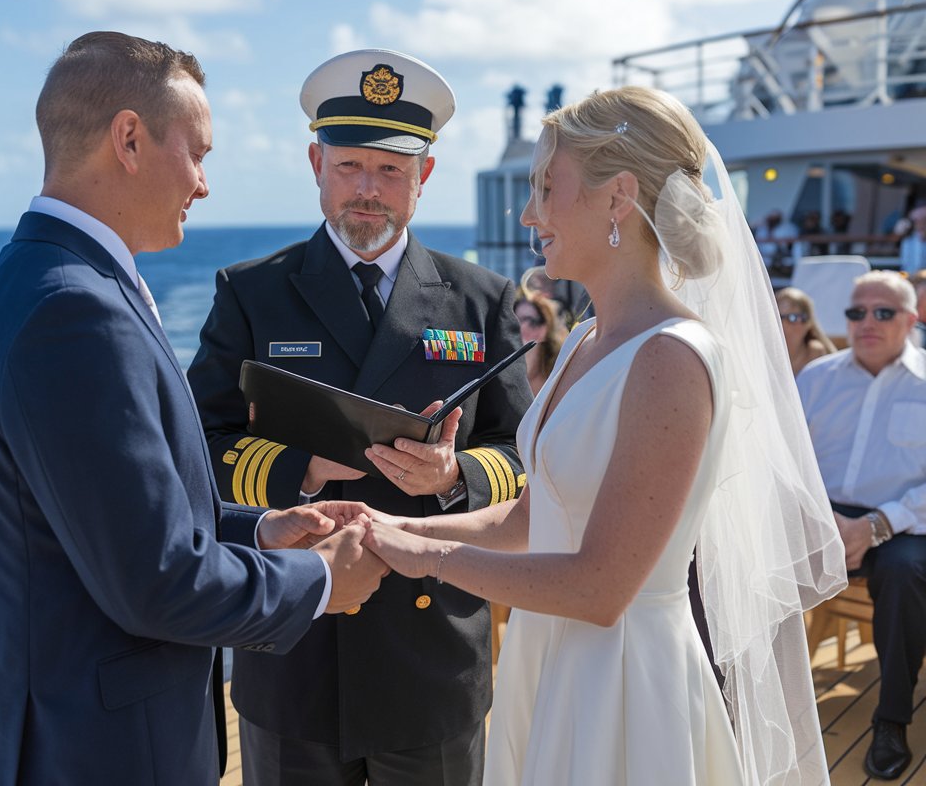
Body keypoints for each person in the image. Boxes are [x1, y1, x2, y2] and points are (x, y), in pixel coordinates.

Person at [362, 86, 846, 785]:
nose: (530, 215)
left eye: (546, 188)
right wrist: (387, 524)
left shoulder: (670, 357)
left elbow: (600, 586)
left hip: (621, 677)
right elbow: (533, 517)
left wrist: (427, 556)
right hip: (550, 652)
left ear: (619, 197)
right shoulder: (589, 337)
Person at [0, 31, 387, 786]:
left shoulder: (42, 278)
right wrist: (319, 583)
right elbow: (154, 580)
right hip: (94, 754)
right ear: (129, 139)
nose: (206, 184)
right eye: (200, 153)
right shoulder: (72, 311)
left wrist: (262, 529)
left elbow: (119, 517)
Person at [187, 48, 531, 786]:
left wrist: (455, 473)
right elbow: (195, 445)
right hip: (294, 642)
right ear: (316, 162)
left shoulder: (482, 301)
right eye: (350, 167)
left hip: (431, 648)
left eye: (390, 170)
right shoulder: (252, 294)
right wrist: (299, 469)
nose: (367, 192)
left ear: (424, 177)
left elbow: (522, 453)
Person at [796, 270, 926, 781]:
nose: (867, 321)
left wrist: (876, 525)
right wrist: (825, 520)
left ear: (912, 319)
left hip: (907, 525)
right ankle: (740, 695)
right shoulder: (816, 378)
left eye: (883, 312)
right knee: (739, 551)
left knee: (905, 574)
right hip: (821, 515)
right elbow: (789, 462)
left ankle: (891, 719)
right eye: (856, 312)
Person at [776, 286, 837, 375]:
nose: (784, 324)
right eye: (778, 317)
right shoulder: (762, 353)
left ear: (809, 323)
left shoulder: (816, 354)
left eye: (794, 318)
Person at [514, 293, 567, 395]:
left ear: (544, 328)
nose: (519, 326)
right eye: (514, 319)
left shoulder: (561, 374)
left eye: (529, 320)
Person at [899, 206, 926, 274]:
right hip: (911, 277)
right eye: (917, 221)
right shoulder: (907, 241)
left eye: (924, 220)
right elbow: (904, 264)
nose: (921, 224)